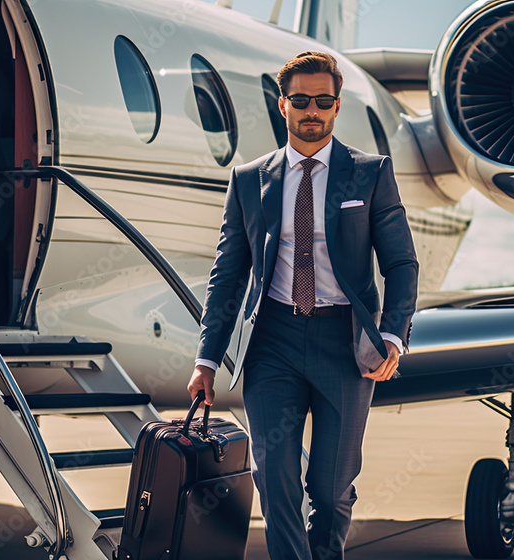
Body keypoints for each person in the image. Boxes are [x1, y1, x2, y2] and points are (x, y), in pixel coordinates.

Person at [187, 51, 419, 560]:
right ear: (282, 105)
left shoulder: (371, 173)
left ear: (336, 106)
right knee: (275, 478)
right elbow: (228, 275)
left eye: (322, 101)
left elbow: (402, 263)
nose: (311, 110)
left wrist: (393, 335)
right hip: (273, 341)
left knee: (331, 490)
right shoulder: (249, 179)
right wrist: (207, 359)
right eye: (300, 100)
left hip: (346, 344)